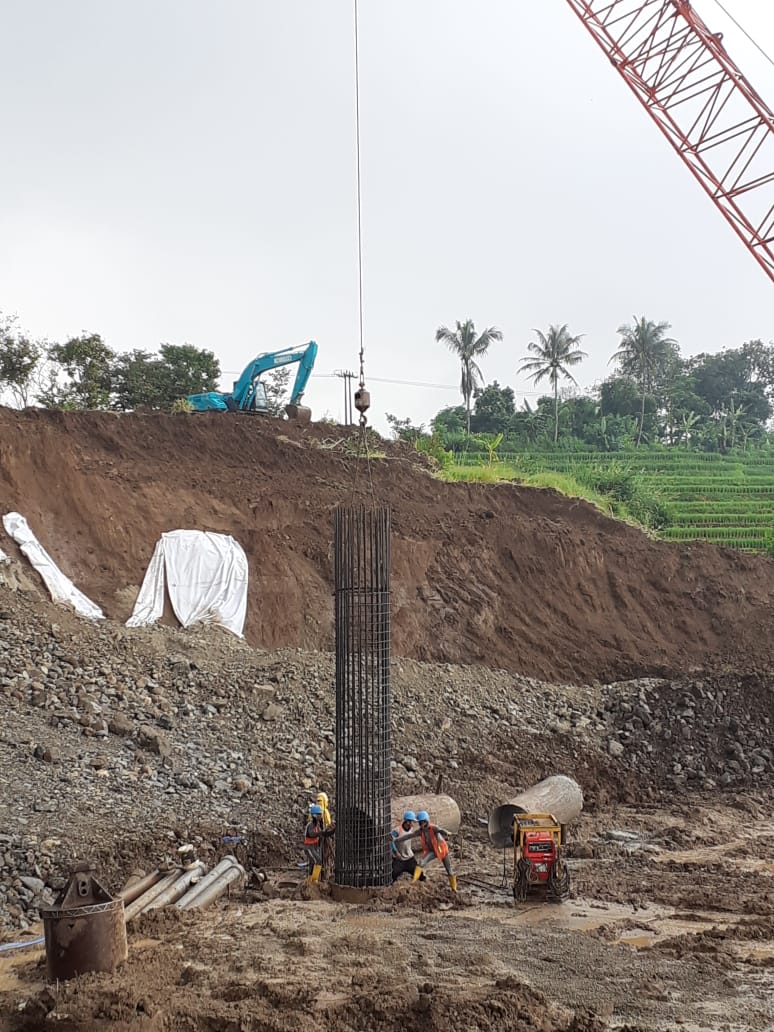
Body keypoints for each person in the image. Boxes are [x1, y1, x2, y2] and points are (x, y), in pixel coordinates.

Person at [405, 810, 457, 892]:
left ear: (426, 821)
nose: (421, 825)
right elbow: (409, 836)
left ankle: (454, 888)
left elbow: (441, 830)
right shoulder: (420, 831)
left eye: (422, 822)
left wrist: (447, 833)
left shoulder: (434, 828)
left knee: (449, 870)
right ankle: (414, 881)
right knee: (421, 863)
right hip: (433, 851)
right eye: (420, 823)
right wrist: (398, 840)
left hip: (442, 851)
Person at [391, 810, 425, 883]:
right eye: (412, 821)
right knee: (393, 875)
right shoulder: (397, 831)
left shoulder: (411, 829)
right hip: (399, 859)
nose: (413, 824)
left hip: (409, 859)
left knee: (420, 875)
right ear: (407, 822)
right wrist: (396, 852)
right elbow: (390, 841)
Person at [304, 804, 334, 883]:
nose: (320, 816)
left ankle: (310, 881)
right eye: (319, 814)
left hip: (314, 847)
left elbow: (323, 834)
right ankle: (313, 881)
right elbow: (311, 834)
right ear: (314, 815)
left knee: (313, 863)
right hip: (309, 847)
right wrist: (320, 832)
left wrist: (332, 831)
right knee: (317, 860)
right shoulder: (310, 825)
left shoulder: (317, 826)